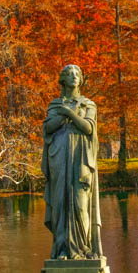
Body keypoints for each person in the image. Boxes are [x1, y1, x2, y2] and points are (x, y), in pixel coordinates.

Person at [43, 64, 101, 259]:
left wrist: (69, 114)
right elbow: (48, 128)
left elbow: (89, 128)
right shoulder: (55, 105)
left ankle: (82, 249)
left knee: (80, 203)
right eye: (70, 74)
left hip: (81, 159)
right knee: (60, 202)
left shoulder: (88, 104)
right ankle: (62, 250)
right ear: (63, 80)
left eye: (77, 74)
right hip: (59, 156)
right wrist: (63, 115)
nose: (74, 77)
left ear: (81, 79)